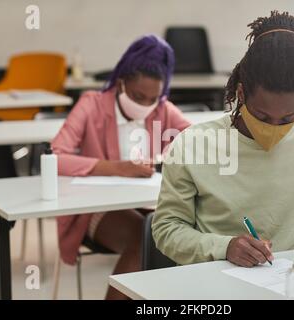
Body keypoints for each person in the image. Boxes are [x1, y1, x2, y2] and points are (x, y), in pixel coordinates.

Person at [152, 11, 294, 295]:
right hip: (213, 290)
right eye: (262, 115)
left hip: (292, 287)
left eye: (288, 118)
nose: (273, 128)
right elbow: (167, 228)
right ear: (241, 93)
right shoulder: (193, 145)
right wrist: (223, 246)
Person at [52, 34, 190, 299]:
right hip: (96, 208)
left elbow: (196, 139)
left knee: (176, 234)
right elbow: (55, 157)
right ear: (121, 81)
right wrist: (116, 168)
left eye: (153, 99)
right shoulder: (91, 104)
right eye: (139, 96)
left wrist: (177, 151)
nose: (145, 105)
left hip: (147, 204)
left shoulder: (162, 108)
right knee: (147, 237)